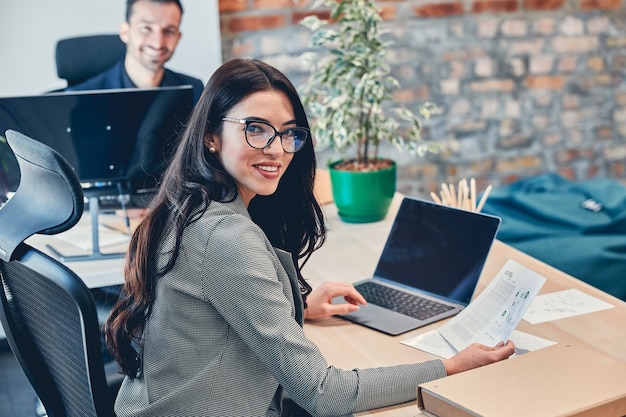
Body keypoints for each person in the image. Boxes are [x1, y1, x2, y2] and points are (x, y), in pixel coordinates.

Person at [105, 58, 515, 417]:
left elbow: (207, 310)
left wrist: (296, 306)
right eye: (256, 129)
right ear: (211, 136)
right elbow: (323, 393)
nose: (277, 150)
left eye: (287, 133)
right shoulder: (225, 238)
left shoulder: (187, 204)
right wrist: (450, 367)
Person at [66, 0, 204, 103]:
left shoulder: (195, 90)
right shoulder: (79, 97)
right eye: (146, 28)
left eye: (169, 31)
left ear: (178, 37)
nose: (158, 43)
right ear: (125, 32)